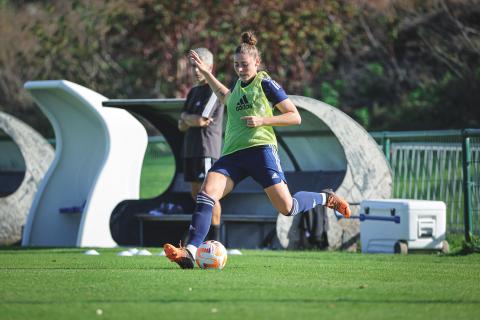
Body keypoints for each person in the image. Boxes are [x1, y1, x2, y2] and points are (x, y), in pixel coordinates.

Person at [164, 31, 351, 269]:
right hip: (232, 154)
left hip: (261, 151)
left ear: (257, 62)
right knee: (206, 193)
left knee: (288, 208)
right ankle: (189, 251)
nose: (240, 69)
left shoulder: (265, 83)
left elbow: (294, 116)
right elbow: (225, 96)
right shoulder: (237, 88)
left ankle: (326, 197)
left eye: (244, 65)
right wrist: (208, 73)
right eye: (236, 65)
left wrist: (263, 121)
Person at [178, 47, 224, 241]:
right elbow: (181, 124)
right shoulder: (193, 92)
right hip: (191, 151)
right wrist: (189, 119)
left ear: (210, 67)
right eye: (193, 66)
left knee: (209, 195)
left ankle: (215, 241)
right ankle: (203, 238)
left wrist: (188, 118)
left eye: (199, 66)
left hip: (207, 151)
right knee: (196, 193)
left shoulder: (214, 91)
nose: (196, 71)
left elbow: (201, 120)